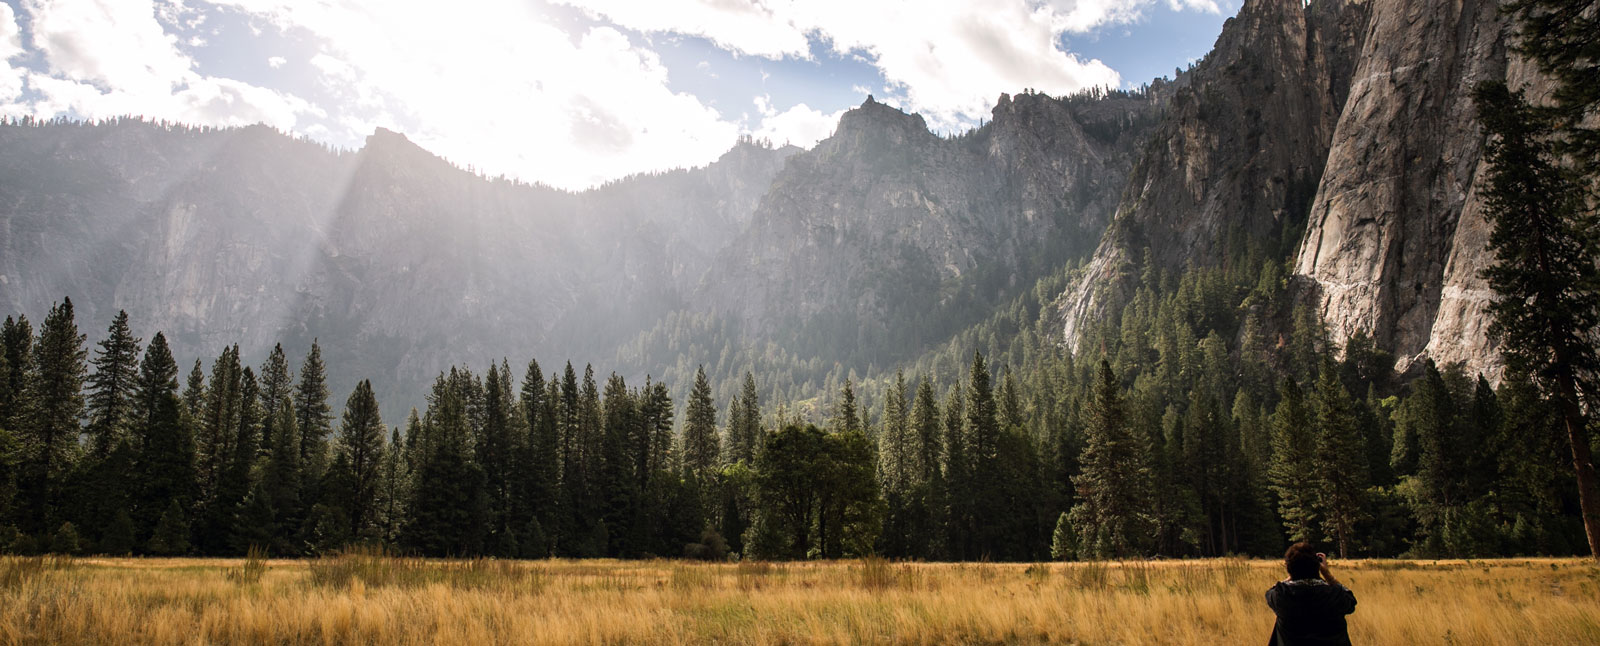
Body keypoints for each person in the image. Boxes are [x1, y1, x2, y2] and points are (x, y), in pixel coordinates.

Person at [1265, 542, 1356, 646]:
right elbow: (1350, 599)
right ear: (1317, 566)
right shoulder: (1334, 595)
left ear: (1288, 567)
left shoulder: (1281, 595)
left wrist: (1292, 574)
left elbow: (1270, 591)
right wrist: (1327, 574)